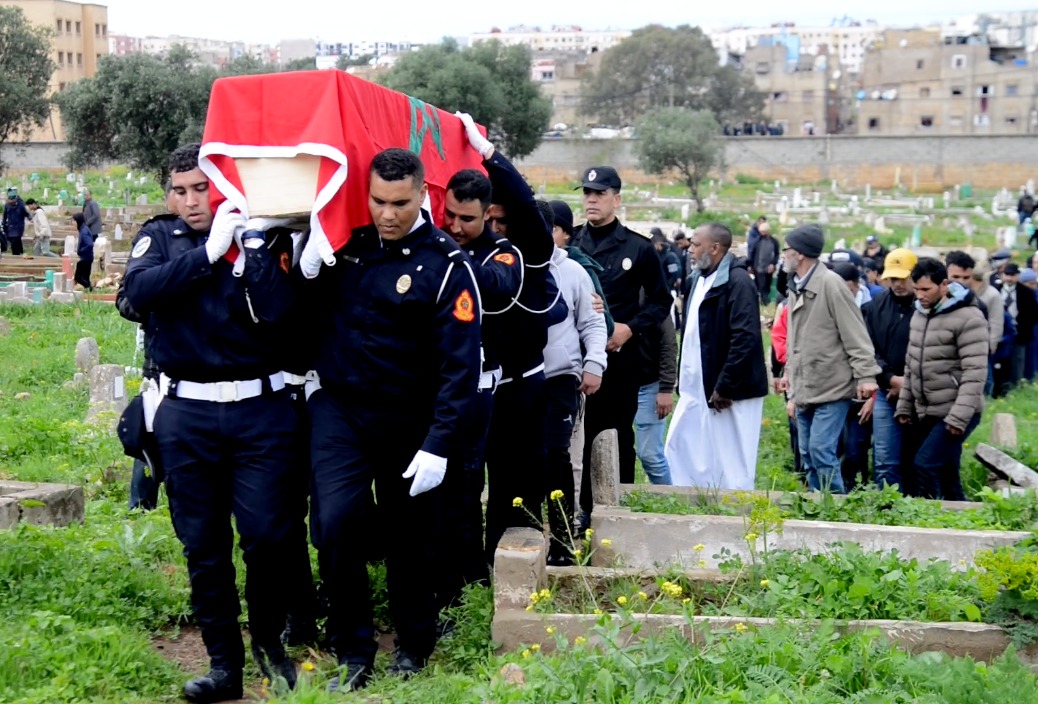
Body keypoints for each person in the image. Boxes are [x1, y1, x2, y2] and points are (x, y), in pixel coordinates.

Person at [299, 148, 481, 692]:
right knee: (333, 524)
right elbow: (305, 317)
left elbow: (460, 365)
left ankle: (413, 644)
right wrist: (307, 270)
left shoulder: (446, 265)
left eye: (399, 203)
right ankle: (354, 649)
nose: (387, 213)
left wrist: (440, 442)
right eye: (377, 200)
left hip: (411, 419)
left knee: (409, 539)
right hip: (342, 412)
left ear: (422, 196)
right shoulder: (348, 248)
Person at [123, 144, 300, 702]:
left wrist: (246, 248)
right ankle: (225, 666)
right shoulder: (160, 238)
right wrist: (205, 256)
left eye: (202, 187)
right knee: (203, 544)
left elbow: (283, 314)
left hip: (259, 410)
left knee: (268, 538)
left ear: (222, 185)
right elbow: (133, 297)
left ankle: (271, 645)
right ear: (167, 194)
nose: (192, 200)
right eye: (180, 189)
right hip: (187, 413)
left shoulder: (260, 234)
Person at [454, 113, 555, 567]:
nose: (491, 227)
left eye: (497, 218)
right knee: (464, 482)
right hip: (472, 385)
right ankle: (470, 573)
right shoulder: (454, 248)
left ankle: (512, 570)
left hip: (520, 386)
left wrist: (492, 156)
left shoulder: (522, 253)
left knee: (516, 487)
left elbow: (528, 214)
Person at [438, 166, 521, 603]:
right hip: (432, 386)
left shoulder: (502, 254)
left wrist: (446, 252)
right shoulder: (436, 242)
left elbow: (495, 286)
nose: (455, 226)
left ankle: (466, 583)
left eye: (466, 219)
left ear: (487, 214)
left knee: (465, 489)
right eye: (448, 215)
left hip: (477, 391)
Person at [573, 166, 672, 526]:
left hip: (621, 361)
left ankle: (617, 512)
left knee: (615, 437)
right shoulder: (571, 244)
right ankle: (580, 510)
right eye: (587, 193)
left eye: (599, 193)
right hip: (578, 359)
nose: (592, 200)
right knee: (578, 439)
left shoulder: (638, 247)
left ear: (616, 199)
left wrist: (630, 328)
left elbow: (662, 301)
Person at [666, 222, 767, 489]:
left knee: (732, 460)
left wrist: (725, 385)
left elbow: (745, 339)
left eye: (696, 244)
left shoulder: (738, 282)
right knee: (684, 445)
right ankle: (692, 500)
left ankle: (736, 513)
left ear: (715, 247)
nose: (690, 249)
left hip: (729, 390)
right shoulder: (697, 280)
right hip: (697, 386)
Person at [782, 224, 880, 494]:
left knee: (821, 450)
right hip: (804, 385)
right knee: (807, 454)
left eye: (786, 250)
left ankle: (835, 509)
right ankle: (817, 503)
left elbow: (855, 333)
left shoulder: (831, 284)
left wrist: (866, 376)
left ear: (799, 254)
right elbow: (796, 339)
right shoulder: (795, 286)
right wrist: (788, 374)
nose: (783, 255)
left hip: (831, 384)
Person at [543, 201, 608, 563]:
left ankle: (565, 540)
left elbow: (595, 322)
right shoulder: (511, 264)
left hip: (561, 377)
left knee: (559, 455)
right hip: (517, 379)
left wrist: (594, 363)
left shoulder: (574, 272)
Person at [896, 258, 987, 500]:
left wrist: (958, 417)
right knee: (947, 474)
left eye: (926, 289)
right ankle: (960, 524)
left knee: (925, 464)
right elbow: (911, 365)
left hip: (957, 409)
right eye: (916, 289)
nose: (920, 295)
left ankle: (929, 519)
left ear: (944, 284)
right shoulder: (919, 314)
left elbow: (975, 372)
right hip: (927, 409)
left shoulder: (969, 317)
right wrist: (905, 405)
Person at [861, 248, 918, 492]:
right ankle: (887, 509)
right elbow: (868, 348)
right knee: (884, 458)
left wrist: (908, 382)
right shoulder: (875, 307)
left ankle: (920, 508)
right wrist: (890, 379)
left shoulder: (925, 306)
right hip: (886, 391)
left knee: (917, 456)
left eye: (903, 277)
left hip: (920, 393)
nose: (898, 284)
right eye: (893, 278)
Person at [634, 315, 676, 485]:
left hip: (649, 385)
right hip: (614, 385)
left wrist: (666, 388)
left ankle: (667, 502)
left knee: (650, 455)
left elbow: (669, 344)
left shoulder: (653, 296)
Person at [1002, 262, 1038, 390]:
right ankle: (1001, 387)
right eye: (1007, 275)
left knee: (1018, 361)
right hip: (1001, 333)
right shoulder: (996, 290)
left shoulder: (1026, 292)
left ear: (1018, 276)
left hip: (1019, 334)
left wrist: (1024, 328)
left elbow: (1034, 314)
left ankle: (1016, 388)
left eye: (1013, 275)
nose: (1010, 278)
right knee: (1002, 361)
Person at [748, 221, 779, 305]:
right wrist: (750, 265)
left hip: (769, 268)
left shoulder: (774, 242)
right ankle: (764, 302)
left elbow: (776, 254)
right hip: (758, 267)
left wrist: (773, 264)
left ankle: (764, 301)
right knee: (761, 286)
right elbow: (751, 253)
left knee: (767, 285)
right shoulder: (756, 241)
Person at [3, 188, 31, 256]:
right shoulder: (7, 206)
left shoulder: (21, 205)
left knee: (16, 238)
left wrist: (30, 218)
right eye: (10, 200)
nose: (11, 202)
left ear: (16, 199)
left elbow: (25, 213)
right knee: (13, 240)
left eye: (13, 200)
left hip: (19, 226)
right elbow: (5, 215)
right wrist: (3, 223)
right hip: (10, 226)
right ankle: (18, 253)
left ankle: (17, 253)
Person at [71, 213, 94, 291]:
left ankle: (90, 288)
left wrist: (81, 251)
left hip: (85, 258)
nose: (72, 223)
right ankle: (90, 291)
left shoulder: (83, 231)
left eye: (74, 221)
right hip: (88, 257)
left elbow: (90, 244)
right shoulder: (83, 229)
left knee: (78, 277)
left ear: (78, 221)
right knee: (85, 277)